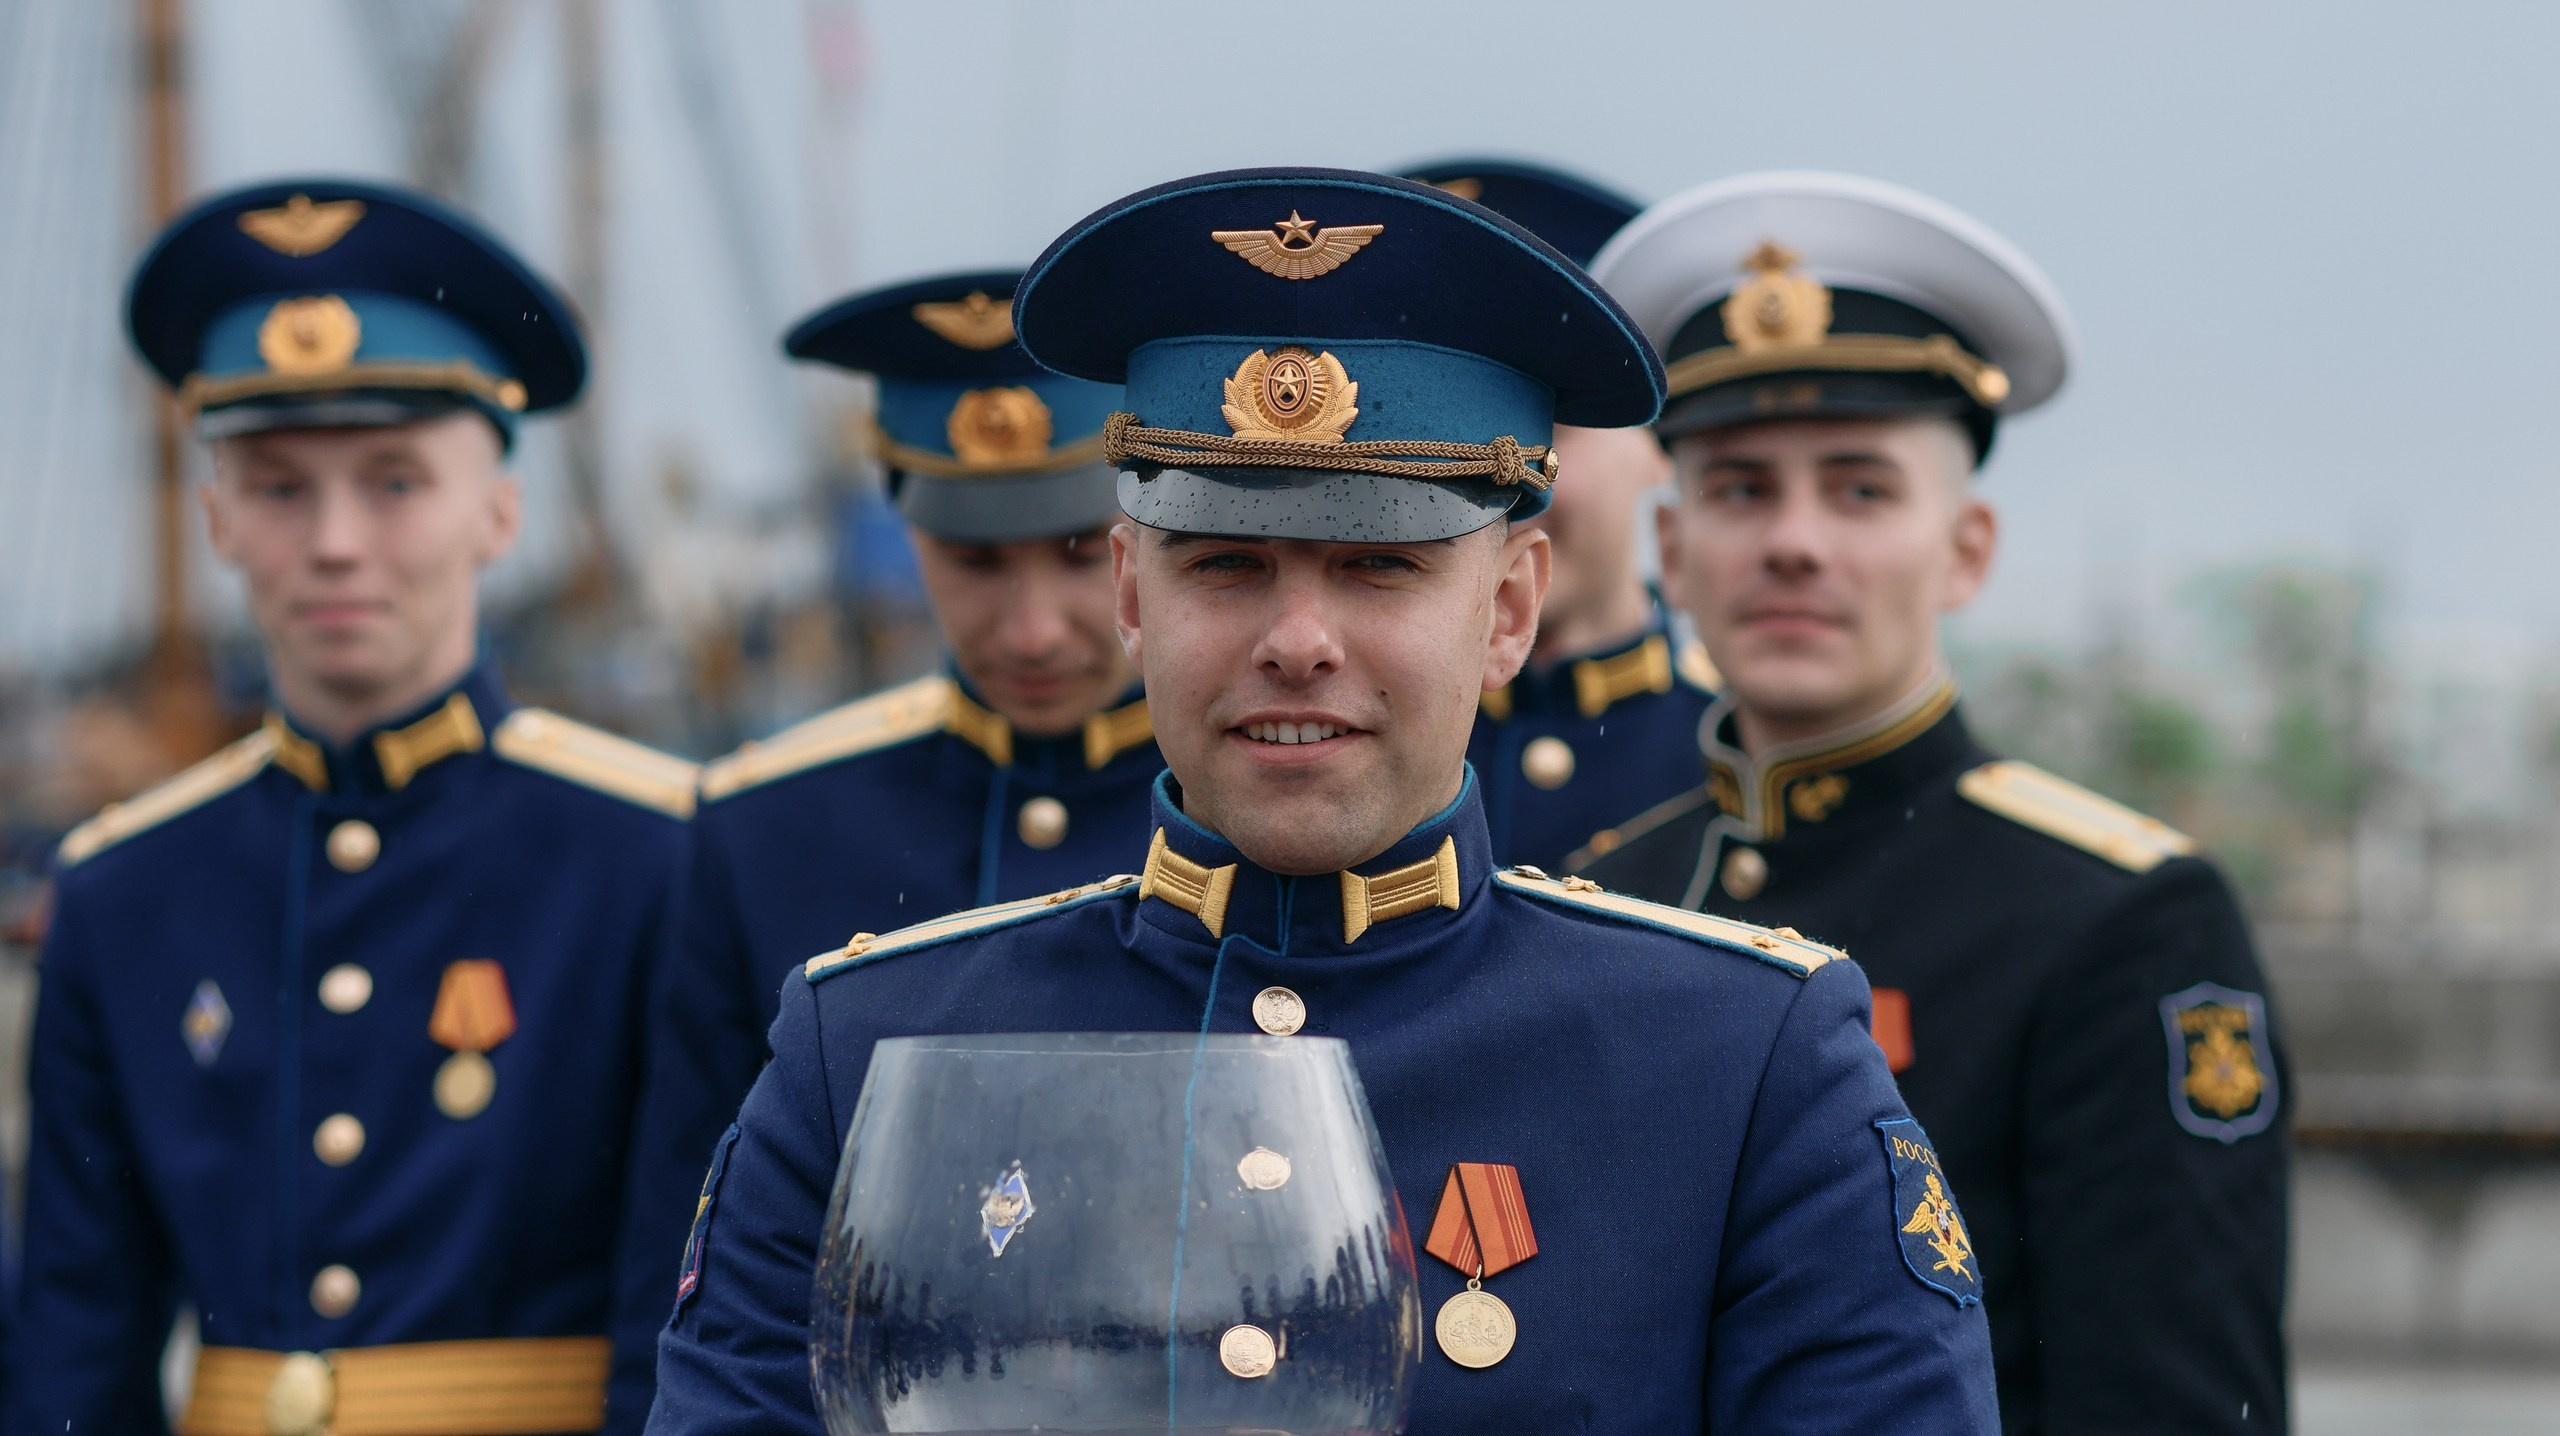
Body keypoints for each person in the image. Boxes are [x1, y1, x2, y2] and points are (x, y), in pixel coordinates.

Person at [643, 167, 1999, 1434]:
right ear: (1132, 594)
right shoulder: (865, 1051)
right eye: (1225, 566)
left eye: (1379, 569)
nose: (1297, 638)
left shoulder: (1742, 1061)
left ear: (1512, 608)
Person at [1577, 171, 2289, 1433]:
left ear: (1966, 547)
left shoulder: (2118, 919)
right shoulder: (1603, 896)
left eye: (1859, 489)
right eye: (1741, 489)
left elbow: (2167, 1395)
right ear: (1673, 555)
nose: (1793, 541)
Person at [11, 179, 697, 1435]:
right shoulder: (121, 891)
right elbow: (75, 1340)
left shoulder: (663, 854)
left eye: (393, 483)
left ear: (500, 509)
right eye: (277, 488)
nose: (334, 542)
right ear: (214, 513)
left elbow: (692, 1322)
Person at [605, 271, 1161, 1420]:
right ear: (907, 526)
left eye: (1071, 551)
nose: (1031, 625)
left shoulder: (1255, 807)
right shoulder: (766, 828)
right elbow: (678, 1259)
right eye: (974, 561)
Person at [1400, 158, 1716, 871]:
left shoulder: (1734, 756)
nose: (1498, 487)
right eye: (1441, 442)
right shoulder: (1305, 760)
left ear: (1659, 445)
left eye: (1545, 433)